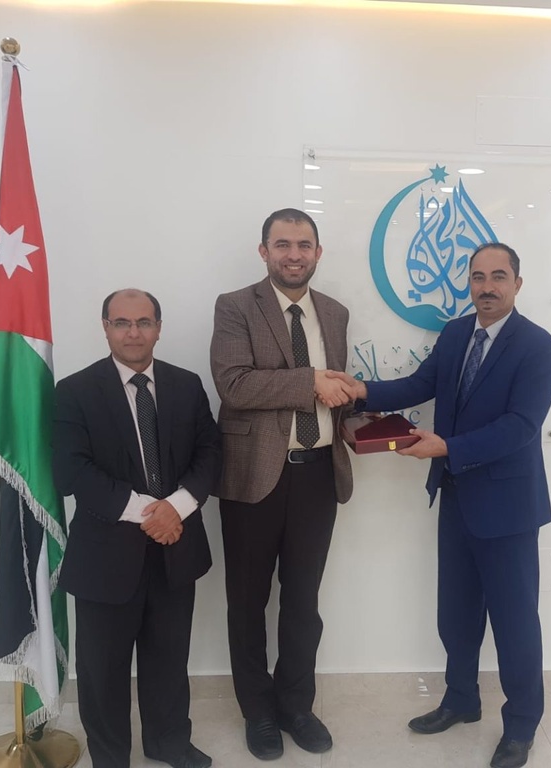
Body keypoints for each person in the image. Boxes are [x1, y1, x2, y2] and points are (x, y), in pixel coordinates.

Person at [333, 243, 551, 768]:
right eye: (478, 277)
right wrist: (360, 391)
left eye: (498, 277)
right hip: (456, 497)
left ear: (518, 284)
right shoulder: (457, 334)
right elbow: (420, 384)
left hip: (508, 509)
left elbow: (521, 427)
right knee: (455, 615)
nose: (487, 287)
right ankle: (461, 701)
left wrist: (448, 448)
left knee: (515, 625)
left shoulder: (538, 346)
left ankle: (521, 726)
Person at [54, 289, 221, 768]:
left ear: (158, 328)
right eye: (122, 323)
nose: (133, 333)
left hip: (176, 550)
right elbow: (71, 471)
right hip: (105, 557)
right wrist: (152, 512)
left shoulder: (186, 385)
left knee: (168, 659)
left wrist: (178, 507)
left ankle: (169, 743)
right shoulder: (75, 391)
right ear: (105, 327)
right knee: (102, 670)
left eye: (144, 322)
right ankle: (111, 758)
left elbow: (211, 453)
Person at [209, 209, 353, 761]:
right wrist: (310, 381)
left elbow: (336, 395)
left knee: (302, 602)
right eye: (283, 244)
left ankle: (296, 706)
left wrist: (372, 426)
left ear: (318, 252)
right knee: (247, 602)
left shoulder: (335, 313)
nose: (294, 254)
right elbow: (235, 385)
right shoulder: (235, 306)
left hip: (318, 475)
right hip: (253, 477)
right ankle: (259, 712)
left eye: (304, 244)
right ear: (264, 251)